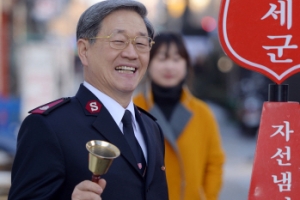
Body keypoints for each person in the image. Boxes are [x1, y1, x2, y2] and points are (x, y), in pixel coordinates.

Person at [8, 1, 168, 199]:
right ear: (84, 51)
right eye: (118, 41)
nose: (131, 53)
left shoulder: (151, 128)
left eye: (141, 43)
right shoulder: (49, 126)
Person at [134, 32, 225, 200]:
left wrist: (208, 196)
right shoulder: (132, 110)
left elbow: (214, 163)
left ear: (186, 65)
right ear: (148, 63)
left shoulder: (202, 113)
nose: (170, 66)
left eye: (176, 59)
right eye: (162, 59)